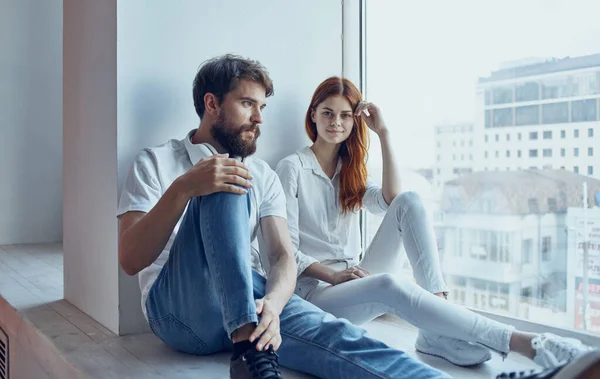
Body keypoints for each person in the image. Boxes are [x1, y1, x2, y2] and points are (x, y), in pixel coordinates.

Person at [117, 54, 453, 379]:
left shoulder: (263, 174)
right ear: (212, 104)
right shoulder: (155, 162)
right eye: (248, 104)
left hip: (253, 297)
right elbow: (131, 259)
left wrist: (275, 305)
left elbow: (281, 255)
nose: (259, 118)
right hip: (181, 313)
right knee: (227, 173)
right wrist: (184, 188)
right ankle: (252, 348)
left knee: (343, 339)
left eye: (262, 107)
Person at [275, 76, 590, 369]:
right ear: (313, 114)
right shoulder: (292, 168)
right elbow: (284, 252)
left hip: (355, 278)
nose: (336, 122)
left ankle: (435, 327)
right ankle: (526, 343)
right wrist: (333, 275)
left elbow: (391, 201)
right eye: (328, 113)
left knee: (410, 200)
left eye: (345, 116)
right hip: (316, 296)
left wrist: (383, 134)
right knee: (389, 284)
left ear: (354, 121)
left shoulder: (350, 169)